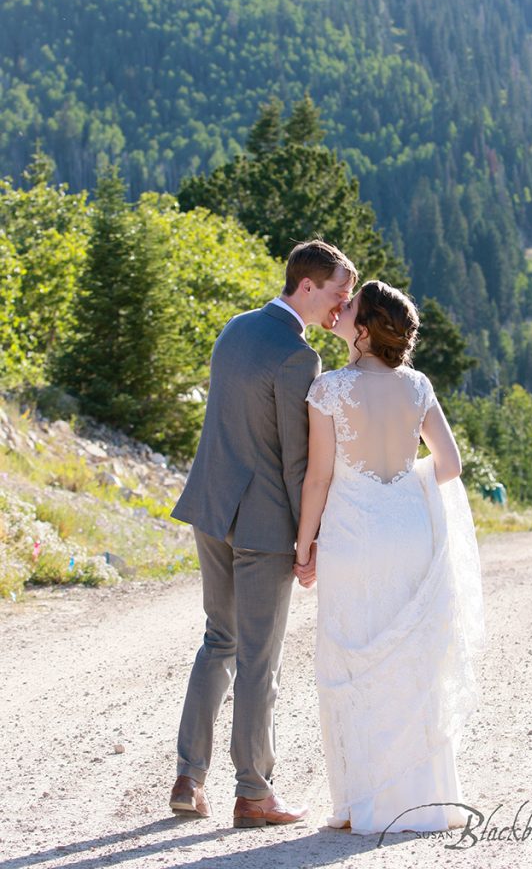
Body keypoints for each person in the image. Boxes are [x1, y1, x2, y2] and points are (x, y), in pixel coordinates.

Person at [169, 240, 356, 828]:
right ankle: (253, 792)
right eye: (337, 293)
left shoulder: (236, 328)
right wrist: (309, 541)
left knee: (217, 641)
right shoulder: (298, 359)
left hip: (210, 507)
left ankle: (188, 777)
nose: (342, 305)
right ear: (307, 287)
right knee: (259, 660)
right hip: (262, 524)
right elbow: (299, 464)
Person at [294, 280, 485, 834]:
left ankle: (363, 805)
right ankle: (425, 799)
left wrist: (304, 545)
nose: (341, 309)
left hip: (352, 537)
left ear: (362, 329)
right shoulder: (419, 386)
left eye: (350, 306)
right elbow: (448, 465)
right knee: (412, 659)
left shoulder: (328, 390)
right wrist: (402, 485)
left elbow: (319, 478)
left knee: (353, 660)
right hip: (408, 531)